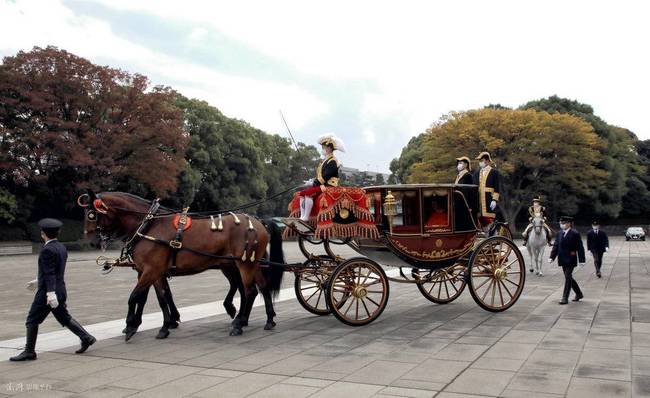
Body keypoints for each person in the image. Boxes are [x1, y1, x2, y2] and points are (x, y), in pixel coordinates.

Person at [10, 218, 96, 361]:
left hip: (48, 293)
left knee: (32, 320)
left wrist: (50, 293)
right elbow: (54, 271)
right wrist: (39, 281)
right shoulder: (61, 247)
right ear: (58, 232)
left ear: (42, 233)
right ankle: (86, 337)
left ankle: (29, 351)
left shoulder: (47, 250)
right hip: (60, 289)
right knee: (64, 317)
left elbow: (50, 273)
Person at [297, 134, 345, 221]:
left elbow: (325, 177)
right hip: (322, 185)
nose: (323, 149)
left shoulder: (332, 161)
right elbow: (320, 176)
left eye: (324, 147)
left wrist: (313, 183)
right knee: (302, 193)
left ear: (329, 148)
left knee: (308, 194)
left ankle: (306, 217)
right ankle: (302, 216)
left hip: (328, 186)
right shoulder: (325, 160)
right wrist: (311, 181)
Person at [548, 216, 586, 305]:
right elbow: (556, 246)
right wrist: (552, 257)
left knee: (568, 276)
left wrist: (582, 260)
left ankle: (565, 297)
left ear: (569, 224)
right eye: (561, 223)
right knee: (568, 277)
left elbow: (580, 247)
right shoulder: (559, 233)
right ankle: (579, 294)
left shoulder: (575, 233)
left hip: (571, 258)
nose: (562, 225)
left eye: (564, 223)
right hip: (562, 258)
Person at [474, 152, 504, 231]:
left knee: (489, 223)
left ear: (487, 161)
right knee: (479, 221)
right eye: (479, 161)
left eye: (482, 160)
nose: (480, 162)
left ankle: (492, 237)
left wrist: (494, 200)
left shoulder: (494, 172)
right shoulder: (476, 173)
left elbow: (497, 188)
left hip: (489, 200)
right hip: (478, 202)